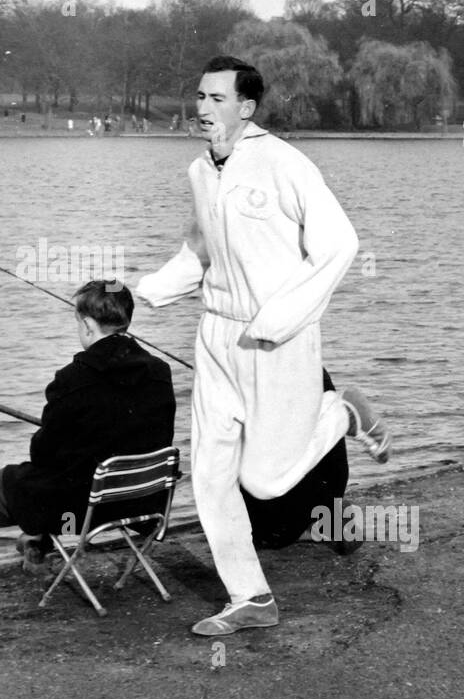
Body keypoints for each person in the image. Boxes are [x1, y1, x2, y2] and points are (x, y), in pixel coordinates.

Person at [136, 55, 389, 638]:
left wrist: (280, 317)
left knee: (267, 480)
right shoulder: (200, 173)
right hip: (216, 335)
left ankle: (341, 411)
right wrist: (144, 293)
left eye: (216, 99)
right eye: (199, 97)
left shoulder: (285, 164)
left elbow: (338, 245)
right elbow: (199, 255)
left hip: (279, 336)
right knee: (211, 473)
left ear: (246, 108)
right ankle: (250, 597)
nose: (202, 108)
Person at [0, 280, 176, 581]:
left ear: (87, 325)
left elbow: (43, 454)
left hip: (82, 513)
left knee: (7, 482)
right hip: (143, 505)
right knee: (63, 473)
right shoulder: (160, 372)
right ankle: (36, 547)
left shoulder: (73, 378)